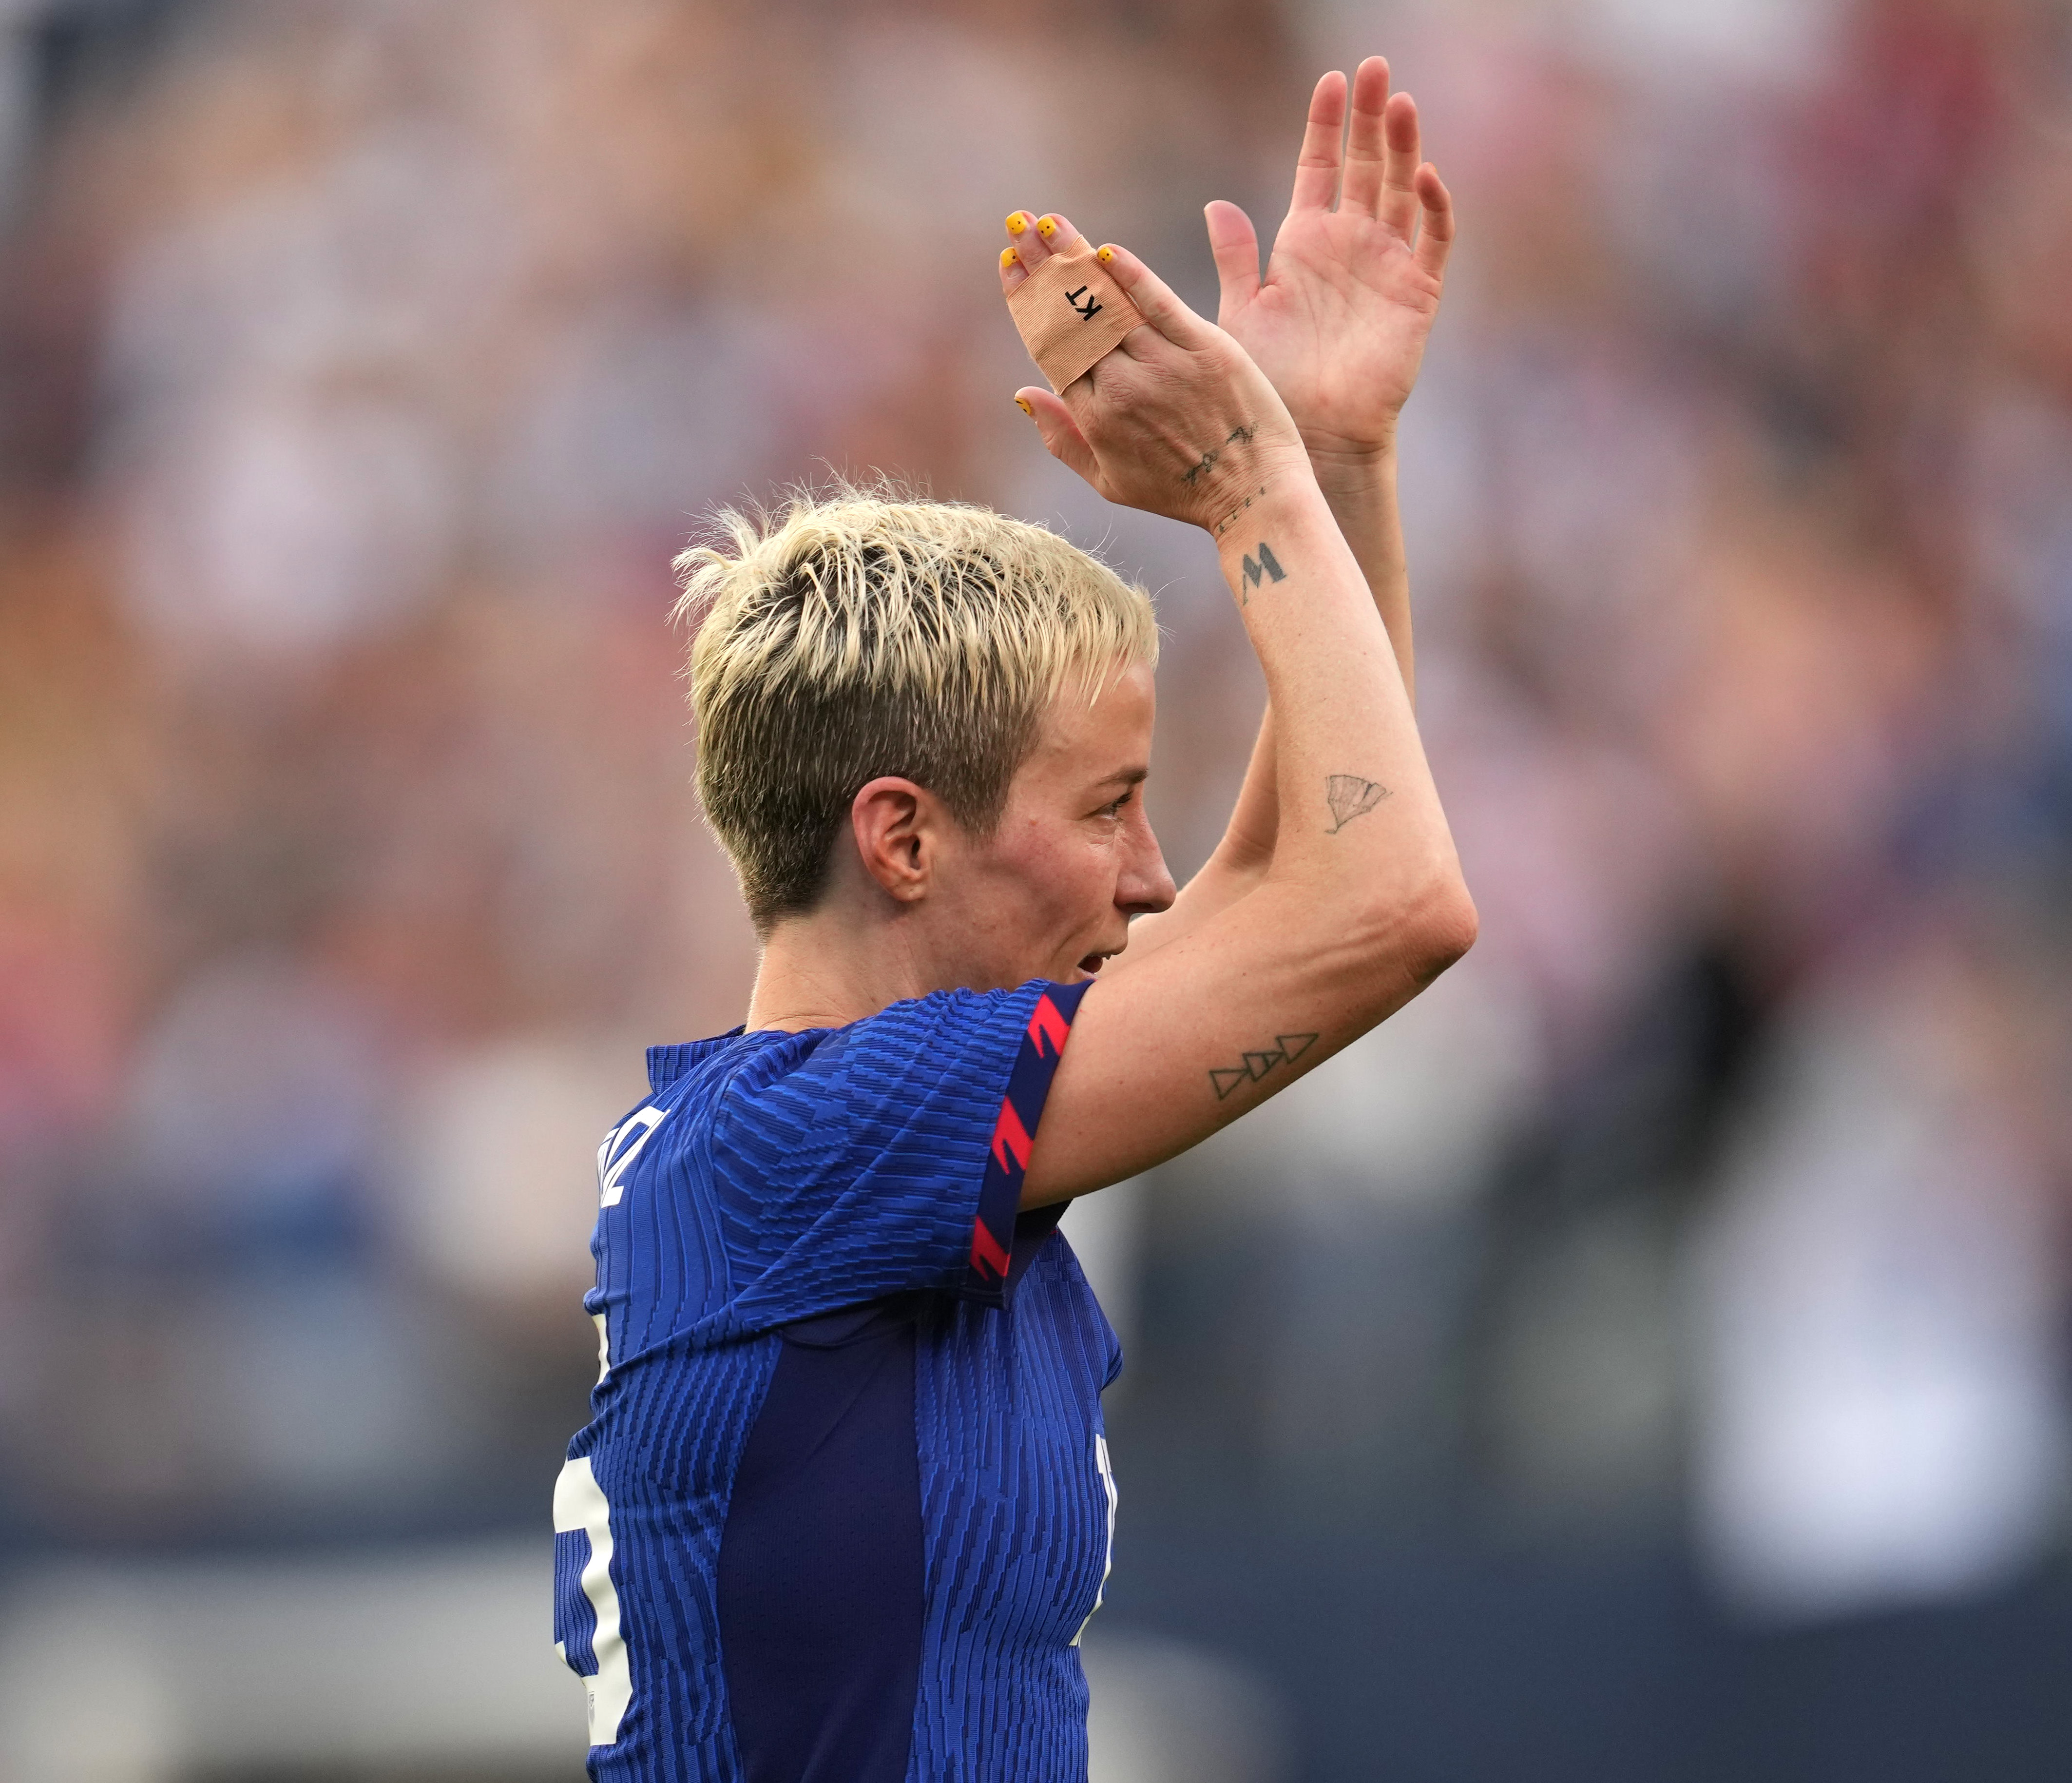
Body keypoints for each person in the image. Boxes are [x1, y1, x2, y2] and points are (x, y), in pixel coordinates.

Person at [550, 58, 1470, 1782]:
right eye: (1111, 808)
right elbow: (1386, 901)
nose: (1153, 876)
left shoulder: (859, 1144)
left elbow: (1310, 878)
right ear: (899, 837)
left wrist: (1333, 454)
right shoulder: (802, 1138)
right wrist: (1250, 490)